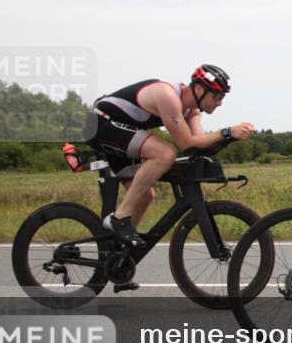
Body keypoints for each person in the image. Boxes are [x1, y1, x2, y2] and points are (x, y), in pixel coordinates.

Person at [84, 65, 255, 271]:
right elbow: (185, 143)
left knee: (145, 195)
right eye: (217, 96)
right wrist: (227, 132)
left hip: (120, 131)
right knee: (164, 153)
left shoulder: (192, 111)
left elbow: (197, 145)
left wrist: (230, 138)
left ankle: (118, 256)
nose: (219, 103)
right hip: (100, 123)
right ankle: (119, 218)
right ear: (199, 90)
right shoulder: (168, 96)